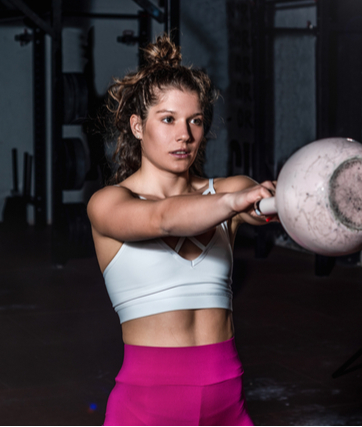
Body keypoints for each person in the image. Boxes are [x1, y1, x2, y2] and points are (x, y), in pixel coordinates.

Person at [87, 33, 275, 426]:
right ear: (138, 127)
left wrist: (288, 204)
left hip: (228, 402)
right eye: (168, 119)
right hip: (146, 407)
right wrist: (232, 204)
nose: (184, 135)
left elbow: (260, 208)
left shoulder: (231, 189)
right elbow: (163, 218)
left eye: (196, 120)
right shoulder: (108, 204)